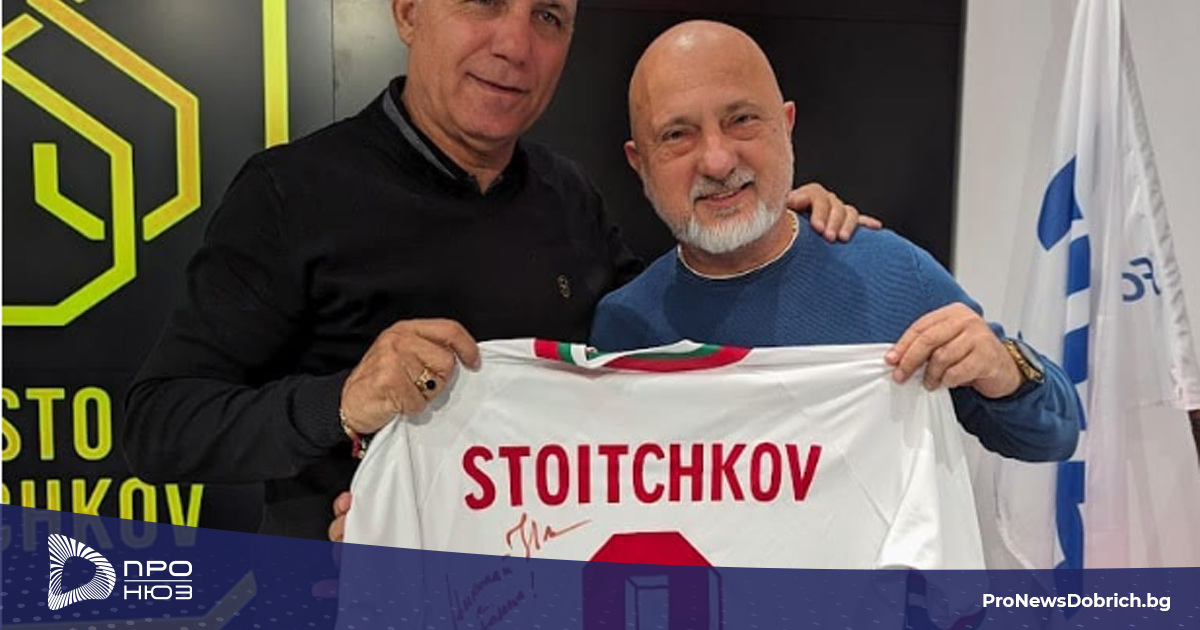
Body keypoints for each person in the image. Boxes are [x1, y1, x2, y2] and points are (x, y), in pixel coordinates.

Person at [123, 0, 869, 540]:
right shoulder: (290, 192)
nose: (516, 44)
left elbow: (660, 353)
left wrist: (761, 229)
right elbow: (158, 425)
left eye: (548, 16)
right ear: (408, 11)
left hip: (541, 588)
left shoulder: (568, 195)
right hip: (347, 594)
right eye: (484, 1)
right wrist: (342, 402)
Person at [587, 20, 1081, 461]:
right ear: (640, 164)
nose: (717, 161)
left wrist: (1004, 368)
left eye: (742, 120)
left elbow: (1053, 436)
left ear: (786, 127)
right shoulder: (622, 328)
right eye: (677, 135)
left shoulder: (892, 276)